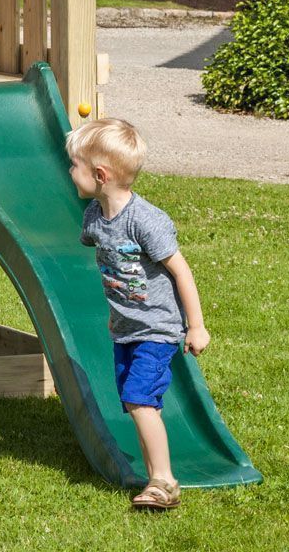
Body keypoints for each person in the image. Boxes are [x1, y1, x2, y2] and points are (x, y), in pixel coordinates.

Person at [66, 118, 212, 511]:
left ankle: (164, 482)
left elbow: (181, 271)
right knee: (136, 404)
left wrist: (195, 326)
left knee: (140, 401)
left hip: (157, 329)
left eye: (74, 166)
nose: (69, 172)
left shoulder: (145, 220)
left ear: (99, 174)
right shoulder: (95, 218)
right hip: (124, 330)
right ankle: (153, 478)